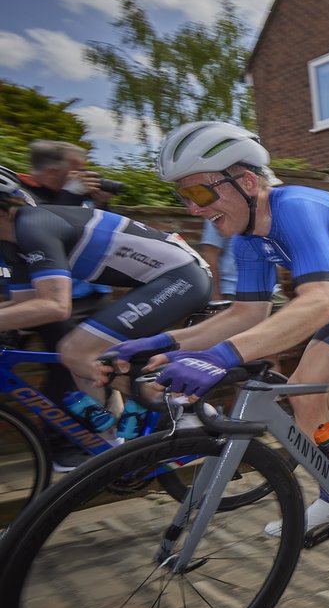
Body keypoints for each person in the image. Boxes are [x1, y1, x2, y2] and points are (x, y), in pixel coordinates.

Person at [114, 120, 329, 533]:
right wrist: (165, 342)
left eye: (200, 193)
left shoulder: (295, 207)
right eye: (182, 197)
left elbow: (319, 305)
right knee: (304, 396)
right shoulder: (248, 240)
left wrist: (220, 356)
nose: (192, 209)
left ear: (247, 182)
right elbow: (245, 314)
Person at [0, 172, 211, 460]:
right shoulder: (12, 243)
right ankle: (116, 452)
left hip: (182, 277)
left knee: (75, 351)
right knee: (83, 361)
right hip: (161, 280)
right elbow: (23, 305)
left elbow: (54, 305)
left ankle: (186, 407)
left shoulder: (31, 224)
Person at [14, 142, 119, 470]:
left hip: (94, 292)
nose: (86, 174)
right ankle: (60, 446)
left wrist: (100, 202)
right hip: (54, 299)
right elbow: (43, 225)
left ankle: (101, 434)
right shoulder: (22, 196)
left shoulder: (75, 193)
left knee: (107, 365)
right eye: (78, 168)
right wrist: (70, 195)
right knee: (64, 370)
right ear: (52, 171)